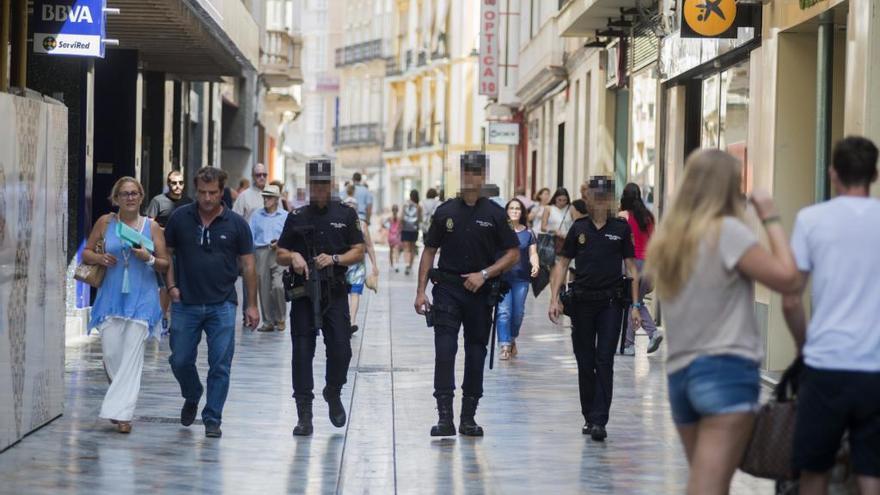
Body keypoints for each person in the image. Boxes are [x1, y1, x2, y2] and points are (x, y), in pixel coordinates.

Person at [646, 149, 799, 493]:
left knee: (706, 481)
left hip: (680, 375)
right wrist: (771, 218)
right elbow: (788, 279)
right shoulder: (727, 232)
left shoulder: (671, 239)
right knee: (709, 486)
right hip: (724, 371)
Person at [782, 137, 880, 495]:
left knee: (815, 470)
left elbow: (791, 298)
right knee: (872, 471)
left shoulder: (811, 220)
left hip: (825, 365)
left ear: (832, 174)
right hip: (875, 366)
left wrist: (803, 346)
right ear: (875, 174)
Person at [414, 151, 520, 437]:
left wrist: (485, 274)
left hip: (480, 293)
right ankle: (445, 417)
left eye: (476, 173)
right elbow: (429, 250)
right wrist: (421, 291)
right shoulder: (445, 211)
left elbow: (513, 253)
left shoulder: (495, 214)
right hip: (448, 289)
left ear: (483, 177)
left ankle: (468, 417)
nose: (471, 178)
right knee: (445, 352)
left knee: (476, 353)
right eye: (466, 172)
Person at [165, 166, 260, 438]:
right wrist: (171, 286)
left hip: (223, 304)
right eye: (203, 192)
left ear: (222, 192)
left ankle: (213, 417)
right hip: (186, 302)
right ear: (196, 190)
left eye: (213, 193)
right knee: (180, 360)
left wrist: (251, 305)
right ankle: (193, 393)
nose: (207, 198)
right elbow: (167, 255)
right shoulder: (180, 218)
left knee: (220, 363)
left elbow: (250, 266)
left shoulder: (237, 224)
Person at [547, 177, 641, 443]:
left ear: (609, 199)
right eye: (594, 195)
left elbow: (632, 268)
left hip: (610, 303)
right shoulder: (579, 228)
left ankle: (600, 420)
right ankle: (589, 414)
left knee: (605, 360)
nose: (598, 200)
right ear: (588, 198)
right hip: (582, 303)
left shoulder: (620, 229)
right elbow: (562, 264)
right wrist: (554, 298)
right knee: (585, 361)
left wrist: (635, 305)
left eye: (603, 196)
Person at [276, 160, 365, 437]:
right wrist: (294, 257)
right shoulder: (297, 215)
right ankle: (304, 414)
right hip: (304, 293)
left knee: (341, 349)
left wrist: (335, 259)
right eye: (315, 184)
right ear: (309, 185)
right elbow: (280, 252)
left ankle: (333, 390)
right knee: (302, 354)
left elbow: (359, 251)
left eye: (324, 184)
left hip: (335, 292)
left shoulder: (346, 214)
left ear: (332, 185)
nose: (319, 189)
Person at [83, 177, 169, 434]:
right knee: (111, 355)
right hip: (110, 298)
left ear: (141, 197)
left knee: (132, 359)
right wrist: (100, 257)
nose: (130, 198)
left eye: (134, 193)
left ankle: (123, 416)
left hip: (142, 299)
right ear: (116, 198)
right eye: (124, 194)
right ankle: (119, 403)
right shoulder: (105, 222)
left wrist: (149, 258)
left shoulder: (152, 227)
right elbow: (86, 252)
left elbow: (165, 263)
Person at [145, 170, 193, 328]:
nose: (177, 186)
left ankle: (175, 319)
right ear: (168, 183)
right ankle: (162, 317)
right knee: (164, 285)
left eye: (180, 183)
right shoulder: (158, 201)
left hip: (183, 250)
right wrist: (166, 230)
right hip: (162, 250)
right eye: (173, 183)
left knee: (180, 284)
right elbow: (149, 224)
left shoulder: (189, 202)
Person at [619, 183, 663, 356]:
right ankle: (631, 343)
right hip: (649, 263)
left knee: (631, 301)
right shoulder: (649, 217)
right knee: (636, 302)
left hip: (632, 263)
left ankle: (646, 335)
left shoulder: (623, 216)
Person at [497, 198, 539, 361]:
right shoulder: (499, 231)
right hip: (503, 279)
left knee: (518, 313)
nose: (514, 211)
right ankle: (504, 345)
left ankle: (512, 338)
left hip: (521, 279)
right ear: (506, 211)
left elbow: (533, 253)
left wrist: (535, 265)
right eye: (511, 208)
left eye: (518, 209)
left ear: (522, 212)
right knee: (503, 312)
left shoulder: (528, 233)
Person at [249, 184, 289, 332]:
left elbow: (289, 235)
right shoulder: (257, 215)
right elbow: (250, 235)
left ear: (277, 199)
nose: (266, 199)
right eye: (264, 196)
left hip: (279, 252)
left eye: (269, 197)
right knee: (263, 287)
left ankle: (281, 318)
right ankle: (268, 321)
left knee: (278, 285)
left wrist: (280, 243)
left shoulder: (284, 215)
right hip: (261, 252)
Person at [233, 163, 268, 328]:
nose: (261, 177)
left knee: (269, 282)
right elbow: (236, 218)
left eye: (264, 174)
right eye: (258, 174)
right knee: (249, 279)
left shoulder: (272, 194)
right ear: (253, 176)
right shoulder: (245, 196)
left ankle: (269, 318)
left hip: (269, 245)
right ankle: (248, 313)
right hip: (250, 244)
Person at [343, 194, 379, 334]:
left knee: (354, 293)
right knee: (347, 293)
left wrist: (374, 265)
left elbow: (369, 246)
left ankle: (351, 322)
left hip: (357, 265)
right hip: (344, 263)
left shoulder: (362, 225)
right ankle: (348, 321)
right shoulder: (355, 224)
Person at [401, 190, 422, 275]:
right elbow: (420, 219)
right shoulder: (418, 206)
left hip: (405, 228)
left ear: (410, 196)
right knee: (413, 248)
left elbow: (401, 217)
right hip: (414, 229)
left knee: (406, 248)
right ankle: (410, 265)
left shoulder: (405, 205)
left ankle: (406, 264)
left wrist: (402, 226)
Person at [385, 205, 402, 272]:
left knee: (391, 251)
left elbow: (383, 223)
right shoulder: (399, 218)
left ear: (392, 210)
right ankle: (396, 265)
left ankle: (391, 265)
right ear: (397, 210)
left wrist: (388, 228)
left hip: (390, 235)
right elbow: (401, 227)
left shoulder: (389, 218)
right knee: (396, 251)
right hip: (397, 236)